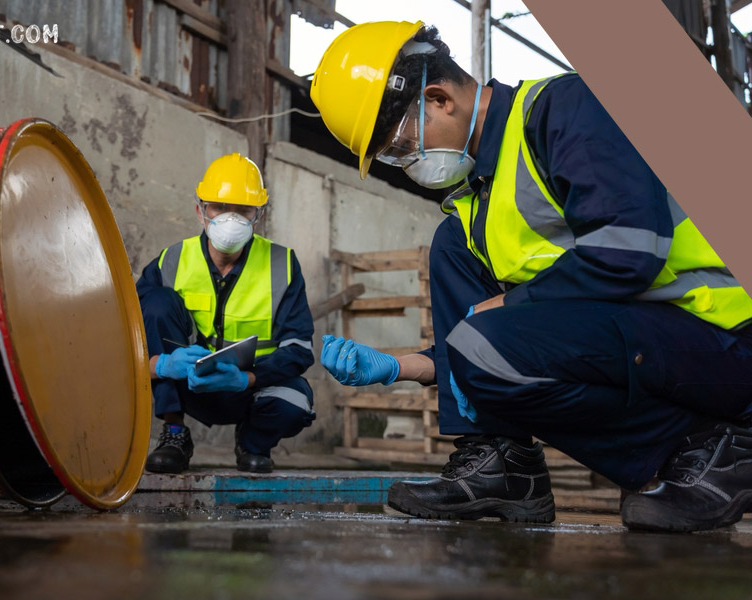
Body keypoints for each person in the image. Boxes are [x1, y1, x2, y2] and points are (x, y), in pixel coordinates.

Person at [310, 21, 752, 532]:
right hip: (651, 343)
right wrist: (401, 366)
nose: (406, 163)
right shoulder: (480, 204)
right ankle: (500, 461)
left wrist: (513, 307)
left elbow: (629, 249)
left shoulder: (563, 110)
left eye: (402, 146)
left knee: (485, 337)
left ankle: (719, 445)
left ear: (438, 99)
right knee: (452, 248)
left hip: (724, 341)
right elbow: (532, 339)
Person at [136, 153, 315, 474]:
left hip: (250, 386)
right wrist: (160, 364)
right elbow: (126, 331)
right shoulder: (171, 260)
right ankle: (174, 433)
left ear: (258, 214)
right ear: (200, 211)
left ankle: (253, 442)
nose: (230, 219)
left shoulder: (282, 264)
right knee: (157, 303)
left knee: (296, 403)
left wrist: (248, 377)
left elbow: (299, 349)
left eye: (243, 209)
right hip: (186, 384)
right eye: (219, 208)